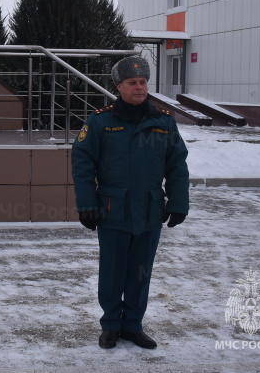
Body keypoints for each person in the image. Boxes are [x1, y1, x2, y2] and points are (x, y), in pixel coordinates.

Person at [71, 55, 189, 350]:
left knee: (140, 271)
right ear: (119, 86)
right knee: (113, 271)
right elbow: (83, 163)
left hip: (150, 210)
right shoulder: (101, 122)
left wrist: (178, 202)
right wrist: (87, 203)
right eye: (132, 82)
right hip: (112, 210)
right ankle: (111, 325)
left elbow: (177, 165)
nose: (139, 87)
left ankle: (133, 326)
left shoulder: (163, 123)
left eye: (143, 82)